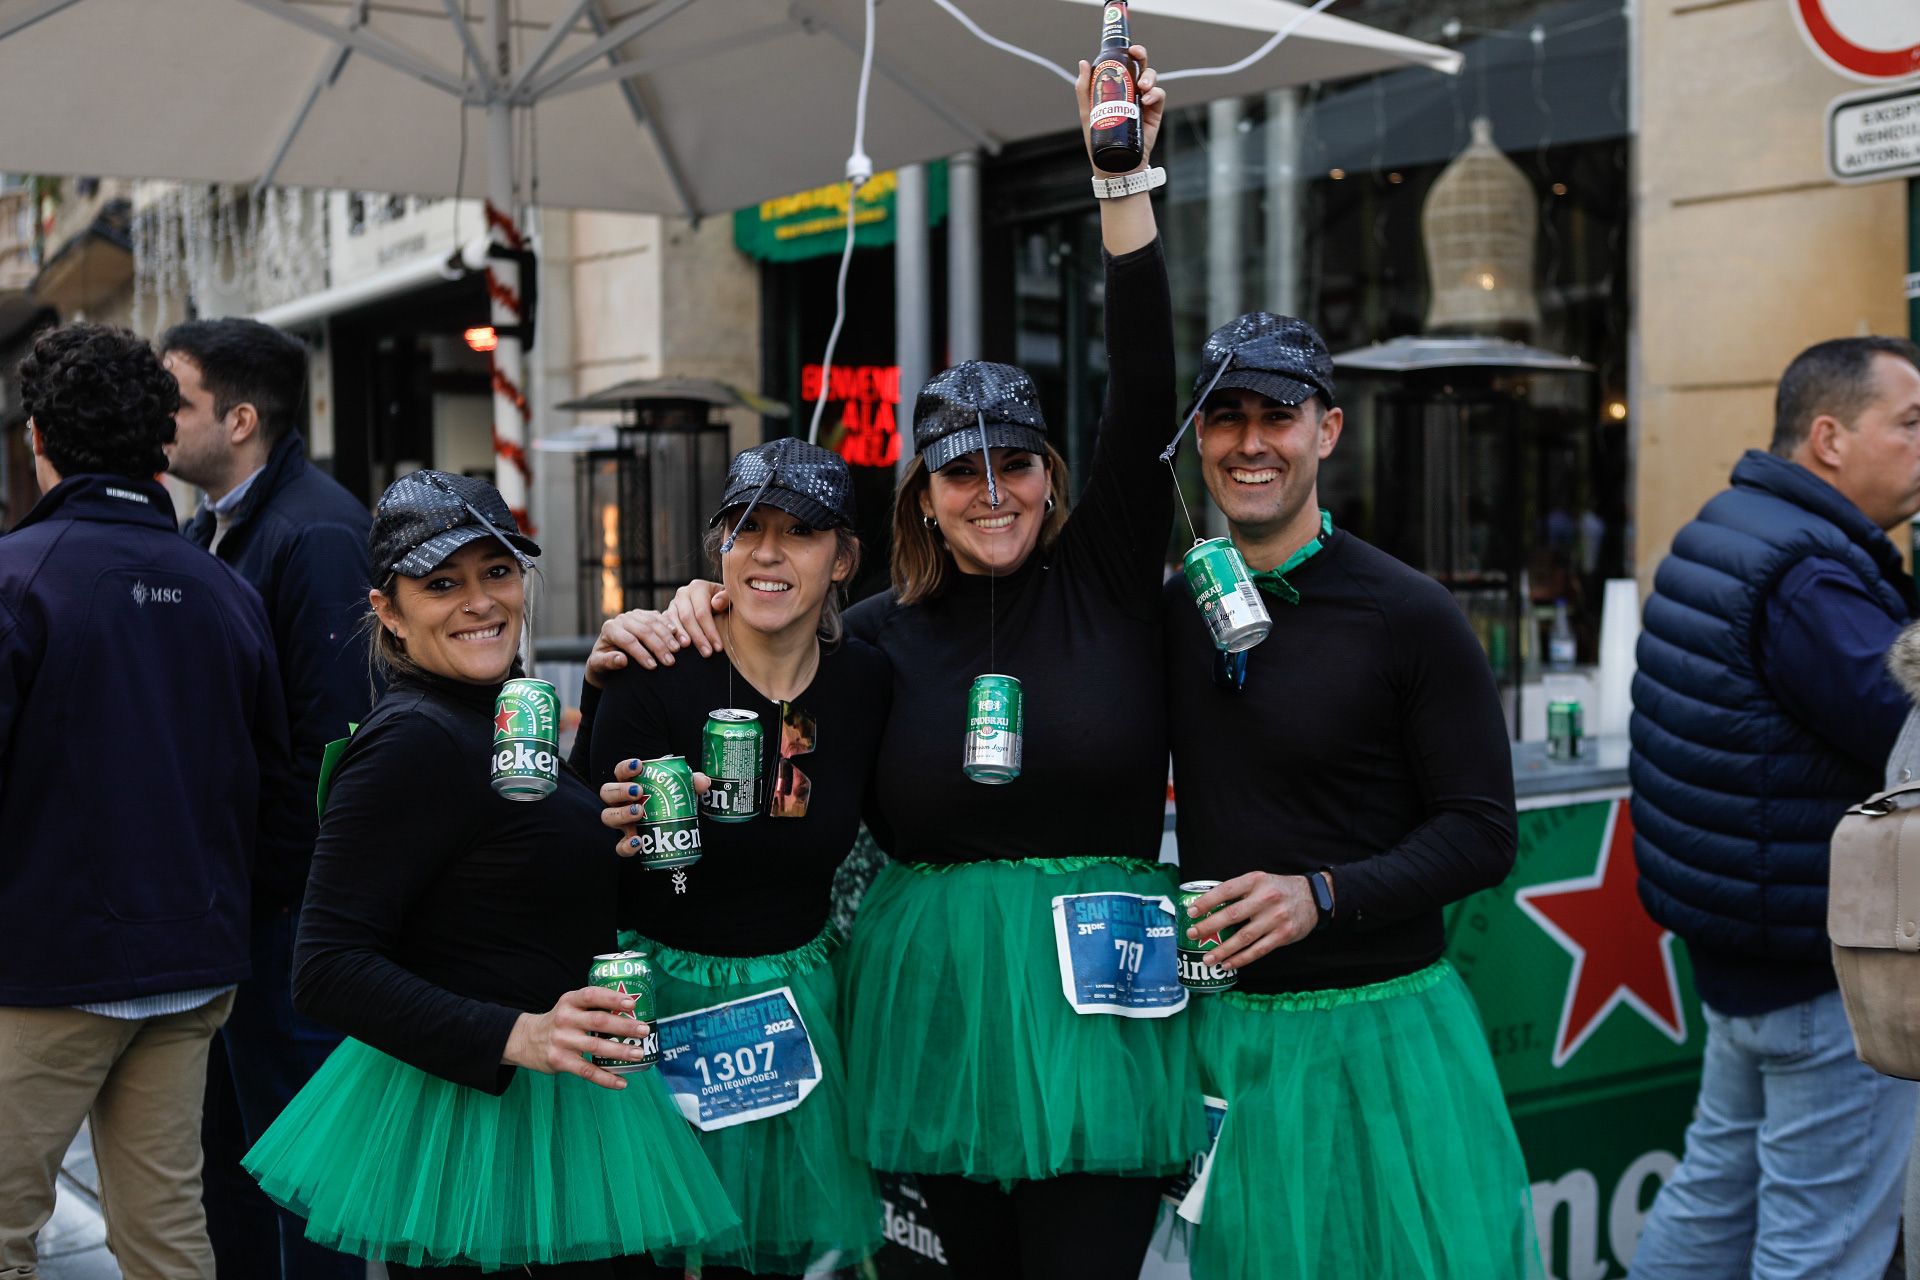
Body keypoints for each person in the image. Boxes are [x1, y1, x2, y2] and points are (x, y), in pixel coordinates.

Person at [589, 48, 1204, 1278]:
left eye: (1016, 463)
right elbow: (761, 693)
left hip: (1101, 1016)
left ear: (1052, 476)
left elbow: (1144, 383)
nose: (993, 491)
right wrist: (661, 625)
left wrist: (1118, 184)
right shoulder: (867, 642)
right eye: (961, 469)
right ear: (921, 492)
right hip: (927, 1017)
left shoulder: (1106, 578)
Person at [240, 470, 739, 1277]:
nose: (480, 602)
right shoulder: (411, 740)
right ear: (388, 613)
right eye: (442, 583)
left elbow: (509, 853)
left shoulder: (502, 715)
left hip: (564, 1111)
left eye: (497, 571)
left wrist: (610, 734)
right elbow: (326, 968)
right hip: (485, 1132)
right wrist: (522, 1034)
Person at [1161, 314, 1539, 1279]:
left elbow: (1484, 834)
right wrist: (733, 609)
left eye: (1277, 417)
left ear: (1327, 431)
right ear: (1197, 439)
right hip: (1221, 1043)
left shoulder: (1407, 612)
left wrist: (1318, 894)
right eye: (1225, 417)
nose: (1251, 443)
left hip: (1379, 1038)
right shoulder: (1170, 612)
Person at [0, 323, 296, 1279]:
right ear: (161, 443)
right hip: (193, 968)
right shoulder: (221, 588)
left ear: (37, 439)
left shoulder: (17, 581)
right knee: (167, 1235)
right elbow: (277, 791)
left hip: (43, 972)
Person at [1629, 336, 1920, 1277]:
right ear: (1829, 438)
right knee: (1822, 1245)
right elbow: (1906, 730)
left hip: (1746, 950)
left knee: (1716, 1194)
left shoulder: (1738, 523)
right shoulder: (1813, 577)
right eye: (1911, 424)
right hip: (1831, 972)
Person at [576, 438, 889, 1280]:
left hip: (793, 1011)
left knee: (773, 1259)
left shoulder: (867, 683)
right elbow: (581, 851)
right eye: (747, 529)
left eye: (801, 532)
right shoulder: (654, 670)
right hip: (661, 1006)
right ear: (720, 546)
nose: (769, 554)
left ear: (844, 559)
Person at [161, 316, 371, 1280]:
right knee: (237, 1162)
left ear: (240, 419)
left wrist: (264, 896)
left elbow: (327, 753)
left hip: (286, 916)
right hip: (240, 908)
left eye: (179, 397)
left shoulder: (314, 532)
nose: (159, 415)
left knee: (304, 1176)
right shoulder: (219, 522)